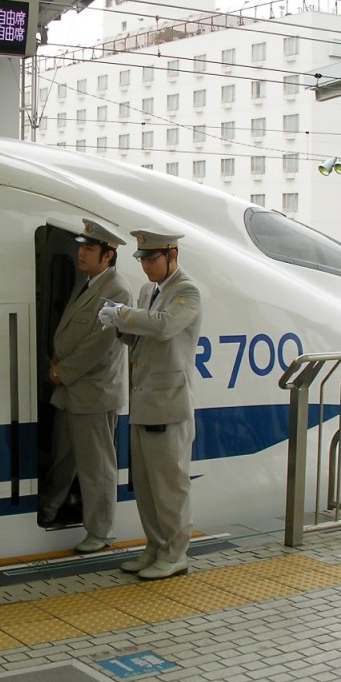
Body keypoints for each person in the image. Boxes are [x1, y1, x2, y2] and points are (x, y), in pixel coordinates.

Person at [98, 230, 202, 580]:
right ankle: (156, 546)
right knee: (145, 485)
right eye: (141, 260)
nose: (145, 267)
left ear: (172, 255)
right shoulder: (148, 291)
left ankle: (176, 554)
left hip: (169, 405)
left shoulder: (187, 291)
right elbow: (141, 337)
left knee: (170, 487)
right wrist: (118, 326)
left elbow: (163, 326)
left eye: (151, 259)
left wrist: (123, 314)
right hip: (145, 401)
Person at [39, 218, 132, 553]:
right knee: (63, 458)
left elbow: (102, 345)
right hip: (71, 390)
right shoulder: (89, 283)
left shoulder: (117, 290)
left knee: (97, 468)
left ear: (108, 256)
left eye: (89, 249)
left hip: (93, 392)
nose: (81, 253)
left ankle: (100, 532)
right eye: (81, 247)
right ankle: (48, 510)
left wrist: (61, 372)